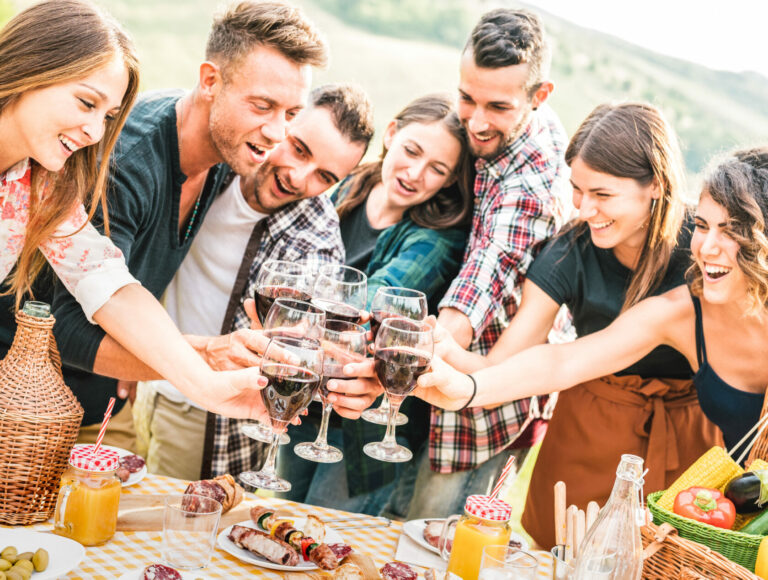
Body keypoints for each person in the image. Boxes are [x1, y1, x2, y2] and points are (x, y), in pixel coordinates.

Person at [416, 103, 729, 548]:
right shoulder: (570, 250)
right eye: (577, 191)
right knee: (560, 552)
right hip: (588, 429)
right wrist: (450, 356)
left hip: (687, 439)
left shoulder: (703, 250)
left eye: (602, 194)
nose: (584, 210)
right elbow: (511, 361)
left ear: (656, 183)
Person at [29, 0, 328, 448]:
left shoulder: (233, 153)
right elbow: (66, 329)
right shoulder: (127, 165)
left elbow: (110, 281)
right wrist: (204, 358)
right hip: (31, 411)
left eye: (290, 114)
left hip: (105, 404)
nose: (276, 134)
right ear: (210, 80)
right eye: (262, 105)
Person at [385, 8, 571, 520]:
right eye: (467, 97)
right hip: (446, 385)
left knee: (430, 536)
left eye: (498, 106)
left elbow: (486, 273)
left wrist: (428, 342)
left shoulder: (533, 185)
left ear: (540, 97)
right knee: (390, 521)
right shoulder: (508, 126)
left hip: (487, 409)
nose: (477, 120)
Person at [139, 83, 375, 481]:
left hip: (207, 413)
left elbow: (313, 342)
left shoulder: (315, 234)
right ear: (282, 121)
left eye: (325, 176)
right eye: (299, 149)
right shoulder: (213, 164)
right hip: (142, 375)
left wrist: (337, 367)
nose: (299, 178)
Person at [279, 93, 473, 514]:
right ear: (391, 134)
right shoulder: (346, 183)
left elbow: (364, 307)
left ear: (449, 180)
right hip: (305, 396)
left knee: (326, 535)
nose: (416, 173)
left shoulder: (437, 239)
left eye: (437, 169)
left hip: (368, 425)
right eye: (411, 151)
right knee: (277, 519)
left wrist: (293, 300)